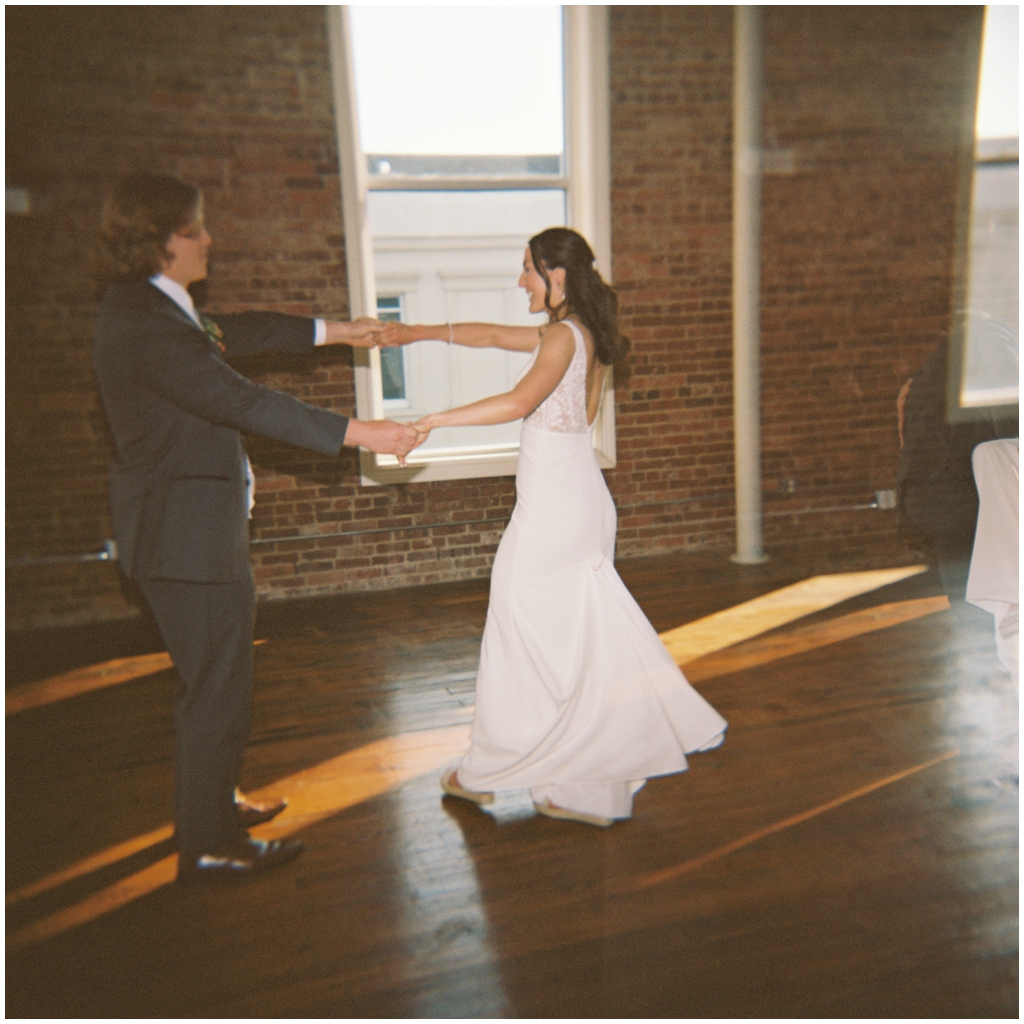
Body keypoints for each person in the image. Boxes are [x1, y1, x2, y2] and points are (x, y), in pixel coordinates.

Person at [92, 172, 420, 880]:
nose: (208, 239)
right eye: (194, 229)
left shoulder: (151, 308)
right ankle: (209, 843)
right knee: (217, 688)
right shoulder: (144, 324)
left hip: (186, 532)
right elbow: (236, 397)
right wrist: (363, 432)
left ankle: (214, 801)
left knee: (212, 678)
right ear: (158, 241)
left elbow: (238, 332)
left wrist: (339, 332)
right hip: (185, 541)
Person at [378, 227, 727, 826]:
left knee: (519, 632)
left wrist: (430, 419)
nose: (520, 282)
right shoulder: (578, 334)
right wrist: (417, 332)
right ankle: (586, 789)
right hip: (578, 497)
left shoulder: (564, 337)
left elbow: (518, 403)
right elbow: (488, 335)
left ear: (556, 276)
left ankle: (486, 771)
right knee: (569, 640)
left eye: (527, 271)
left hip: (555, 510)